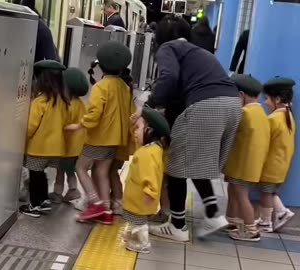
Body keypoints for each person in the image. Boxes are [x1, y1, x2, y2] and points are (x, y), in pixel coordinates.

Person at [144, 15, 241, 241]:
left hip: (206, 105)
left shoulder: (168, 47)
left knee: (176, 166)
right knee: (195, 161)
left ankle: (177, 226)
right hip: (232, 104)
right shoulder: (198, 52)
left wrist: (149, 104)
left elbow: (169, 77)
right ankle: (213, 212)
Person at [65, 41, 132, 225]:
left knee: (80, 167)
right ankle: (107, 212)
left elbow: (94, 115)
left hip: (98, 138)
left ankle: (96, 203)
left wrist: (78, 125)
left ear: (101, 66)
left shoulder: (101, 87)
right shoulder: (125, 87)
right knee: (102, 171)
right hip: (115, 139)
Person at [19, 60, 70, 217]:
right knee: (41, 173)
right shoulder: (62, 100)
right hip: (56, 148)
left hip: (39, 147)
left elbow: (31, 126)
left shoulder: (40, 101)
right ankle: (44, 200)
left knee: (35, 174)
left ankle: (35, 205)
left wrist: (19, 139)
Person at [223, 74, 270, 242]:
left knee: (241, 195)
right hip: (250, 165)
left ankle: (251, 230)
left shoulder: (244, 113)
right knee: (235, 192)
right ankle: (233, 221)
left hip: (241, 165)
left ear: (241, 95)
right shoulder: (261, 113)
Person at [122, 107, 171, 254]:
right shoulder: (152, 148)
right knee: (135, 221)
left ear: (149, 131)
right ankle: (132, 236)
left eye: (138, 128)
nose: (135, 133)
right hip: (137, 198)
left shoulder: (148, 153)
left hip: (140, 198)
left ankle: (142, 243)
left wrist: (150, 193)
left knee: (140, 223)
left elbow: (151, 176)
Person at [257, 77, 296, 233]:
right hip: (281, 165)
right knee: (270, 192)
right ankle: (281, 212)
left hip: (270, 165)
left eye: (267, 98)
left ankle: (266, 222)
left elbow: (263, 142)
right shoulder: (288, 116)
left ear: (277, 99)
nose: (265, 102)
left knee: (266, 193)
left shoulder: (273, 118)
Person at [49, 68, 88, 203]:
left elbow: (63, 123)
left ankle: (58, 193)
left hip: (67, 145)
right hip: (77, 146)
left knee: (60, 170)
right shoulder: (80, 104)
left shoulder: (67, 104)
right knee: (70, 170)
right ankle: (72, 189)